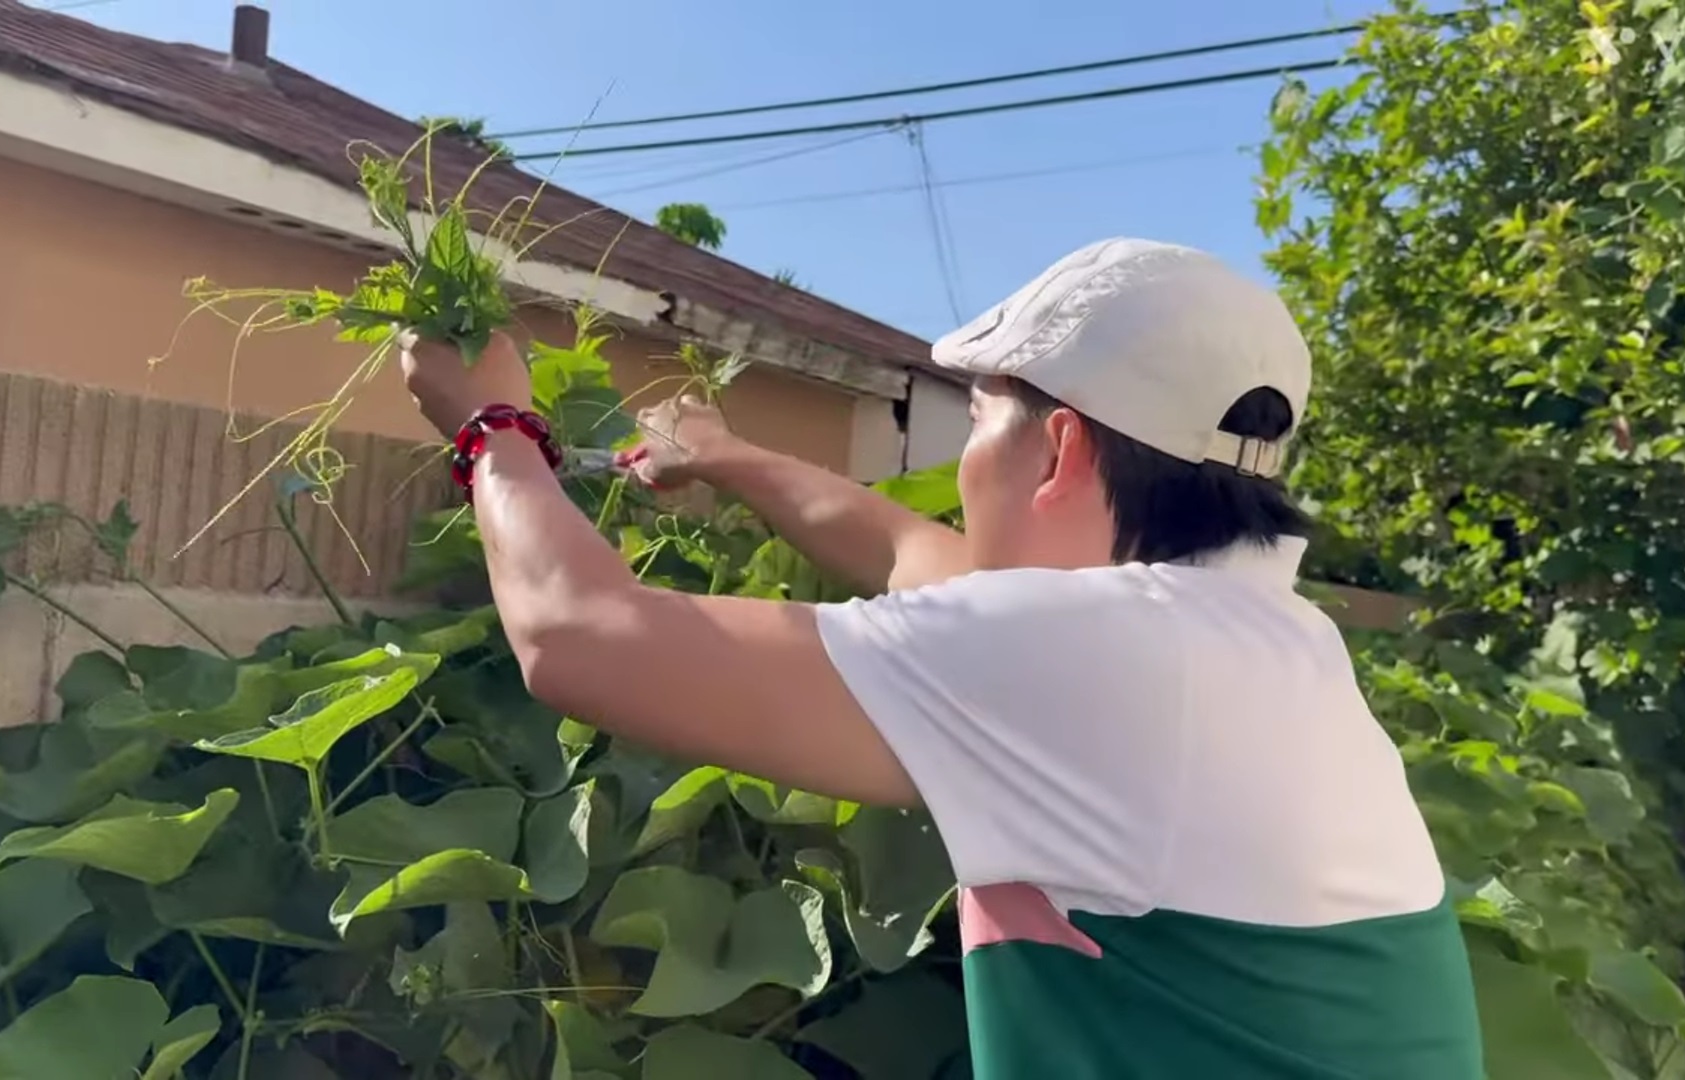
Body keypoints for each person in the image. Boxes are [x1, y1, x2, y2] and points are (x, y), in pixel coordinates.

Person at [399, 238, 1486, 1079]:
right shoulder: (1241, 640)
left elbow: (582, 637)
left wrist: (491, 426)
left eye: (980, 422)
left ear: (1058, 446)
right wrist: (729, 459)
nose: (963, 463)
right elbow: (905, 550)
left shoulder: (1096, 658)